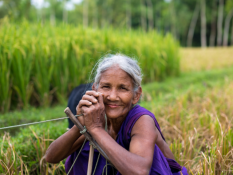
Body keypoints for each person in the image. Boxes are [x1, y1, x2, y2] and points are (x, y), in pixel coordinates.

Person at [45, 54, 188, 175]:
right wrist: (80, 125)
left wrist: (96, 130)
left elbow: (139, 171)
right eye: (106, 86)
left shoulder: (141, 120)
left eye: (123, 88)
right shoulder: (96, 117)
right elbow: (51, 157)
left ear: (136, 95)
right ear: (95, 89)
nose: (112, 96)